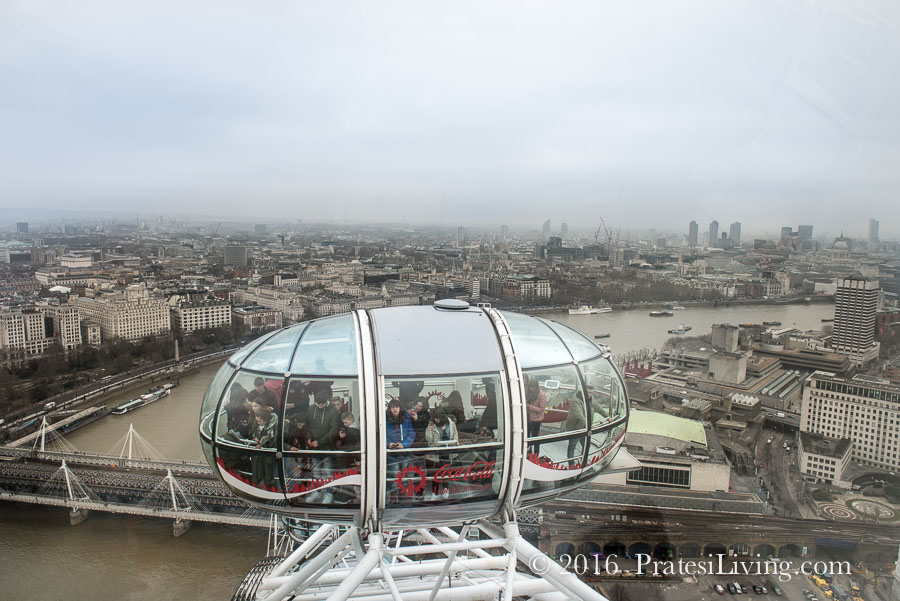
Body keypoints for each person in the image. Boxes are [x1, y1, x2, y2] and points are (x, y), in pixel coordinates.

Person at [425, 412, 458, 499]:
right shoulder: (432, 425)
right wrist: (428, 430)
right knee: (435, 472)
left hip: (447, 452)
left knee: (446, 472)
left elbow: (455, 437)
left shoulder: (451, 424)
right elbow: (429, 441)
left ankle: (445, 489)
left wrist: (454, 443)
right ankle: (434, 492)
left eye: (438, 418)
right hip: (436, 453)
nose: (436, 420)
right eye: (435, 418)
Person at [385, 399, 415, 486]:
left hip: (405, 453)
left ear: (400, 408)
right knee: (395, 477)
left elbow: (411, 434)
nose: (395, 409)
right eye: (393, 407)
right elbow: (383, 434)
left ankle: (403, 496)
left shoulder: (406, 419)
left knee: (405, 476)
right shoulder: (385, 420)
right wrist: (389, 444)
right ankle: (395, 496)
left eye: (397, 407)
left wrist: (404, 445)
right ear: (389, 409)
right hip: (392, 453)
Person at [566, 391, 588, 467]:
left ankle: (583, 461)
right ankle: (571, 465)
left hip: (583, 428)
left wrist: (607, 416)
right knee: (572, 446)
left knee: (586, 445)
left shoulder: (588, 400)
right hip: (575, 428)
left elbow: (598, 408)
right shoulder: (575, 401)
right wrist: (588, 424)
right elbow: (579, 414)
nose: (590, 395)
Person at [525, 377, 547, 454]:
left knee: (535, 437)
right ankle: (528, 451)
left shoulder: (542, 395)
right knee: (526, 436)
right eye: (530, 387)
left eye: (533, 387)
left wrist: (528, 406)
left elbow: (541, 409)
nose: (531, 389)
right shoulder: (527, 393)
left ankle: (536, 453)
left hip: (536, 420)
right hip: (527, 418)